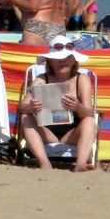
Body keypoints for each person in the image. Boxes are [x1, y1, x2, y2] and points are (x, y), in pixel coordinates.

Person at [15, 34, 96, 171]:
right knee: (25, 118)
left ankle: (80, 164)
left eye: (67, 58)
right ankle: (44, 163)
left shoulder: (81, 80)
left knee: (89, 121)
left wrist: (77, 107)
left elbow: (90, 113)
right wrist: (30, 107)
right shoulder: (41, 79)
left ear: (73, 60)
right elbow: (22, 107)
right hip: (48, 134)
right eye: (58, 59)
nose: (63, 61)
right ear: (50, 61)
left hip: (71, 135)